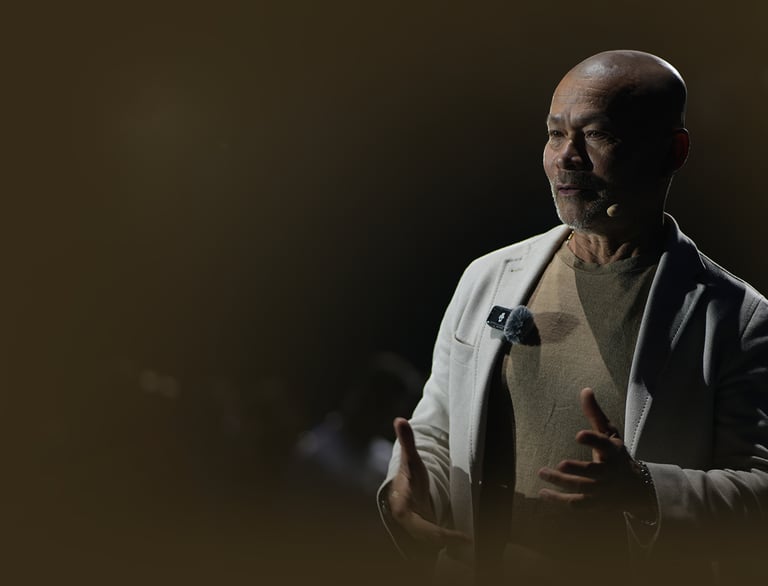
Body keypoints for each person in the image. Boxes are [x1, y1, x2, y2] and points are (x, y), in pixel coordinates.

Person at [377, 50, 768, 585]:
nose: (567, 157)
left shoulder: (738, 318)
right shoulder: (487, 277)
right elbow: (438, 427)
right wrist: (408, 486)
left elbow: (759, 492)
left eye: (598, 134)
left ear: (672, 151)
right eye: (556, 134)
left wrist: (646, 490)